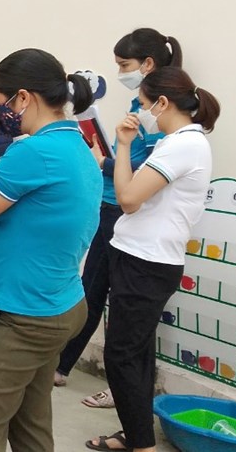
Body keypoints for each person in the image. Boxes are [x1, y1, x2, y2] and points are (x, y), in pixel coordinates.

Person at [0, 48, 101, 451]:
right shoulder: (76, 144)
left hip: (22, 316)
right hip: (60, 303)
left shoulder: (33, 151)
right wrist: (4, 234)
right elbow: (60, 218)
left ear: (23, 98)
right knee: (30, 423)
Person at [85, 68, 220, 452]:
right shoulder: (176, 141)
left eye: (142, 104)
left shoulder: (184, 145)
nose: (139, 112)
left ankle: (142, 445)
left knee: (121, 357)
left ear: (162, 103)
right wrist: (124, 146)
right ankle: (136, 434)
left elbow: (128, 199)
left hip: (147, 263)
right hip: (139, 256)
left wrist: (122, 147)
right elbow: (131, 193)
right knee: (138, 354)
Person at [57, 29, 182, 406]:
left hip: (130, 214)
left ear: (148, 64)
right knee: (92, 290)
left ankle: (122, 389)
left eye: (125, 66)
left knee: (125, 313)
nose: (121, 73)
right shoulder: (139, 104)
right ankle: (62, 366)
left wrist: (106, 163)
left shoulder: (162, 118)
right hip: (114, 206)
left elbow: (149, 170)